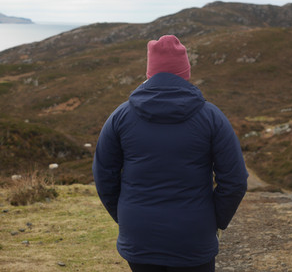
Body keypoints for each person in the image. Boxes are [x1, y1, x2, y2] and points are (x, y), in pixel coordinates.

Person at [93, 35, 248, 272]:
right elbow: (235, 181)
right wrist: (212, 220)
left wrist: (127, 216)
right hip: (194, 237)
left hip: (139, 234)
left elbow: (104, 176)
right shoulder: (212, 117)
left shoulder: (120, 117)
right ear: (185, 71)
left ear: (150, 72)